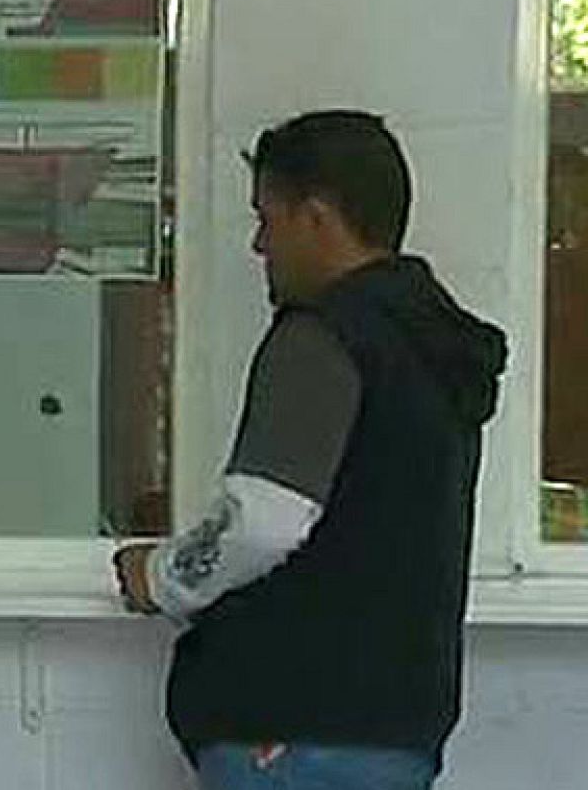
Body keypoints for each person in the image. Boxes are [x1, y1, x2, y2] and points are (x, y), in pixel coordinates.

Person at [112, 110, 508, 789]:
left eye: (268, 218)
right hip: (398, 727)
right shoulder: (436, 349)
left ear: (318, 217)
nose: (260, 245)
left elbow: (264, 520)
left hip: (289, 727)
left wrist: (162, 574)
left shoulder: (324, 338)